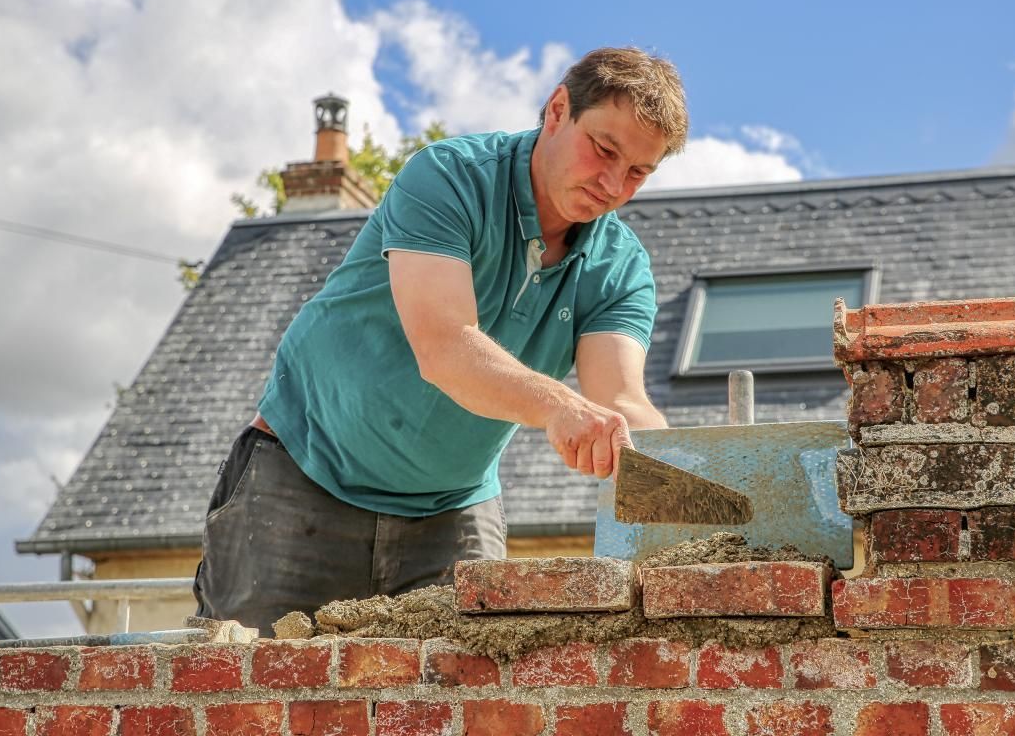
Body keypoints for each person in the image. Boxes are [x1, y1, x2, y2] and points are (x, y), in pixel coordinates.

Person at [193, 46, 688, 634]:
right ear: (558, 110)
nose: (612, 184)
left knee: (469, 710)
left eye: (638, 172)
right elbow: (446, 346)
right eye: (603, 150)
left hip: (451, 511)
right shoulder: (448, 177)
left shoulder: (621, 267)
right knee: (251, 702)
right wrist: (559, 406)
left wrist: (678, 468)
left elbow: (621, 400)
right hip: (302, 476)